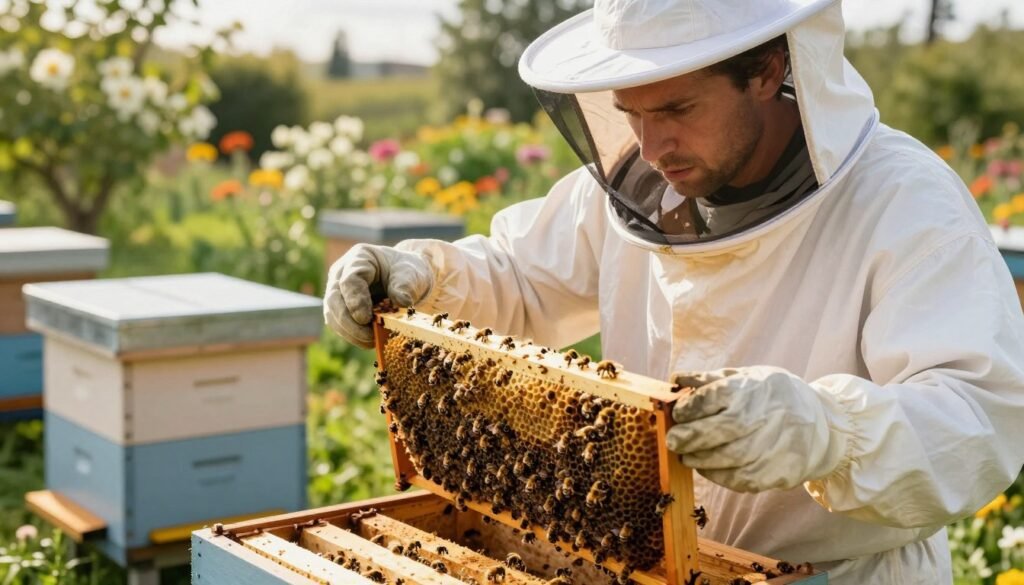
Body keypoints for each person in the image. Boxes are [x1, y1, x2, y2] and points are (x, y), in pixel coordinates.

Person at [323, 0, 1024, 582]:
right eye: (632, 113)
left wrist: (825, 431)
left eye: (678, 109)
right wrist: (423, 277)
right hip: (656, 566)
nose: (653, 147)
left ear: (768, 69)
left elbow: (979, 414)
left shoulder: (904, 202)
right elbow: (523, 278)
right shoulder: (639, 186)